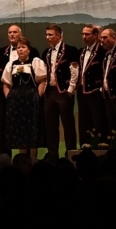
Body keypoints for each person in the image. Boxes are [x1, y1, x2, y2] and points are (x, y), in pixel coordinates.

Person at [2, 37, 47, 158]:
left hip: (31, 100)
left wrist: (38, 96)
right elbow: (6, 83)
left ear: (29, 49)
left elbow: (42, 80)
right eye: (18, 47)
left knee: (32, 127)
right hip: (16, 101)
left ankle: (33, 159)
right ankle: (22, 159)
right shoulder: (11, 64)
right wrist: (9, 97)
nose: (20, 49)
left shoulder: (35, 62)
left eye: (23, 47)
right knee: (19, 128)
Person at [41, 23, 79, 157]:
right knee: (50, 126)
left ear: (58, 36)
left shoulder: (70, 50)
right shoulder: (46, 52)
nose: (47, 37)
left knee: (68, 125)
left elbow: (74, 71)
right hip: (50, 92)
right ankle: (53, 155)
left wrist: (70, 90)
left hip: (63, 92)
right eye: (46, 35)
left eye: (50, 35)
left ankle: (71, 154)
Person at [76, 24, 107, 143]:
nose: (84, 37)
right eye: (83, 34)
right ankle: (85, 146)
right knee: (84, 123)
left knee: (98, 121)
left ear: (95, 35)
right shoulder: (81, 51)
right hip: (82, 92)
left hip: (96, 92)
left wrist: (100, 88)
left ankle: (101, 146)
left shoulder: (102, 52)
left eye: (87, 34)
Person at [99, 27, 116, 140]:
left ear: (114, 38)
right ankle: (115, 145)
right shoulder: (107, 54)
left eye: (105, 38)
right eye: (101, 38)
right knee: (112, 125)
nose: (102, 40)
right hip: (108, 95)